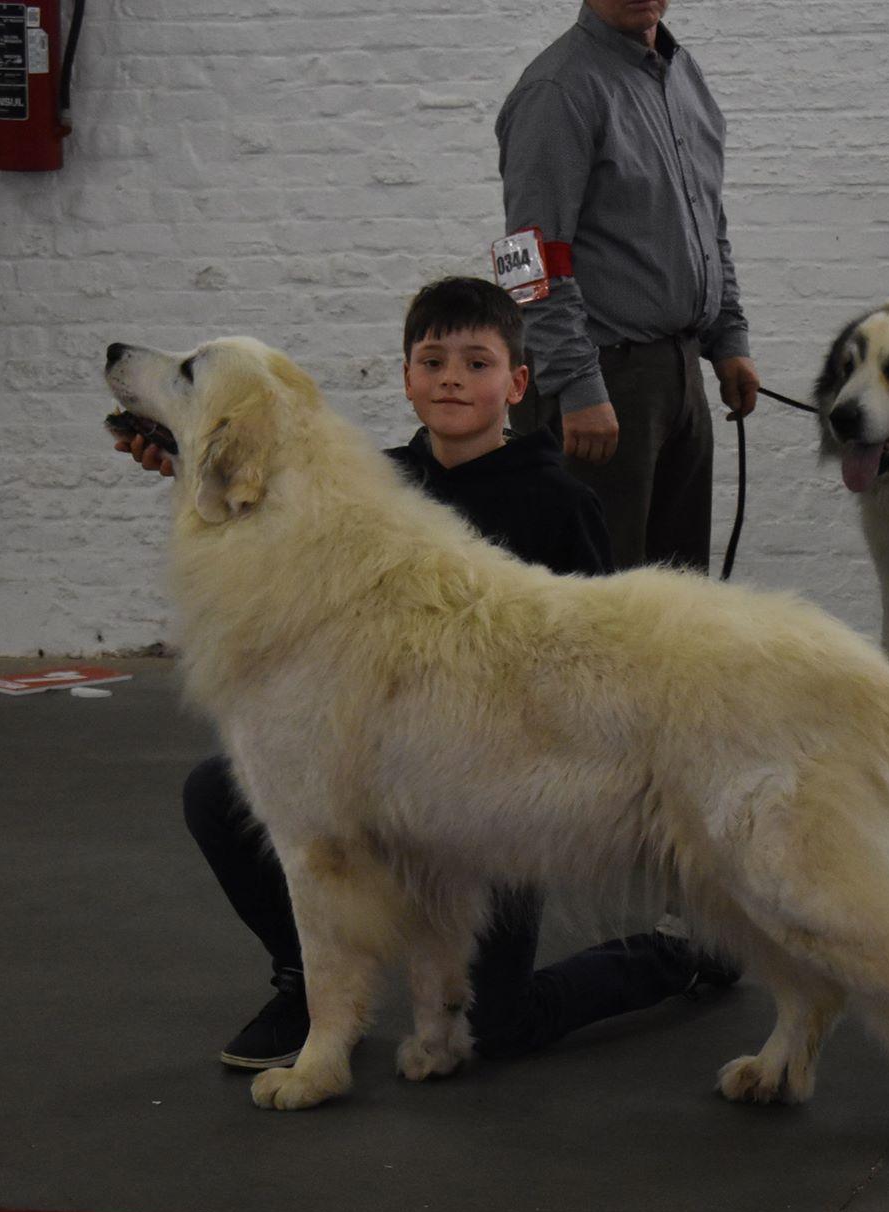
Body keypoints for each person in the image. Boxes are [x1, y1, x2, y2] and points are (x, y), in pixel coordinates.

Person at [116, 276, 737, 1070]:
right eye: (432, 359)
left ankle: (673, 956)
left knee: (498, 1028)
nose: (451, 378)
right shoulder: (364, 487)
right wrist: (183, 448)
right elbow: (257, 513)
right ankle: (305, 974)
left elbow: (600, 653)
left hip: (507, 794)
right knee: (218, 791)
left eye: (476, 363)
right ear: (405, 376)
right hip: (389, 772)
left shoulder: (559, 501)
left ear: (517, 384)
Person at [495, 0, 760, 574]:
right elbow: (527, 261)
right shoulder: (557, 89)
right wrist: (577, 386)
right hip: (599, 382)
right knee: (596, 608)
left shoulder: (681, 73)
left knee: (678, 601)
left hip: (679, 371)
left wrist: (727, 341)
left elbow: (706, 219)